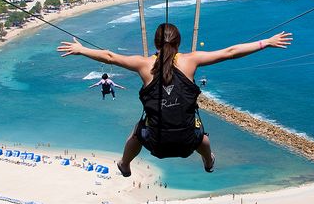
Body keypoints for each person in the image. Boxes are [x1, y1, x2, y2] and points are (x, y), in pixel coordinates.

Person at [58, 23, 292, 176]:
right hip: (188, 142)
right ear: (178, 44)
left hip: (156, 143)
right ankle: (208, 161)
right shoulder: (191, 61)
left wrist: (81, 50)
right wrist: (266, 43)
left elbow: (109, 56)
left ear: (155, 44)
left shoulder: (143, 64)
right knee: (203, 136)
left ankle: (125, 164)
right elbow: (230, 52)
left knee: (136, 131)